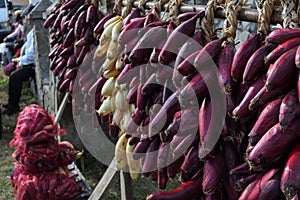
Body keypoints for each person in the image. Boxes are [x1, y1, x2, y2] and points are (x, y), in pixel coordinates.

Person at [2, 6, 35, 116]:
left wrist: (21, 62)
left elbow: (31, 56)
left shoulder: (34, 33)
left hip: (31, 65)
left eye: (26, 18)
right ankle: (12, 103)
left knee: (15, 77)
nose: (25, 20)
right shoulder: (31, 32)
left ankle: (13, 106)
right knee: (13, 75)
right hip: (26, 62)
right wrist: (19, 61)